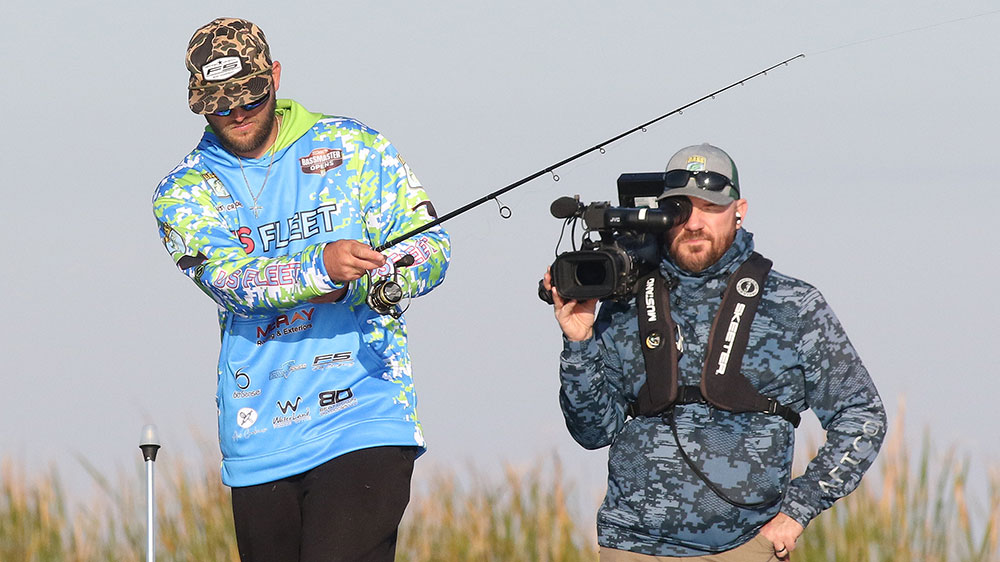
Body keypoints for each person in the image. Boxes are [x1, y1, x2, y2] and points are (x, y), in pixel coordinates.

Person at [152, 18, 450, 562]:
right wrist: (322, 269)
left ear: (275, 77)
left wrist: (373, 281)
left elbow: (431, 248)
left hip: (364, 416)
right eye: (218, 105)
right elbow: (232, 282)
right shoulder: (183, 191)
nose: (237, 114)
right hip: (258, 435)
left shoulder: (355, 147)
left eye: (250, 97)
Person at [543, 143, 885, 561]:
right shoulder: (623, 302)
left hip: (747, 548)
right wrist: (578, 342)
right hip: (632, 545)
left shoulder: (793, 305)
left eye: (710, 207)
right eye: (680, 209)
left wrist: (799, 509)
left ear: (739, 210)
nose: (694, 222)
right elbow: (592, 432)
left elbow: (863, 415)